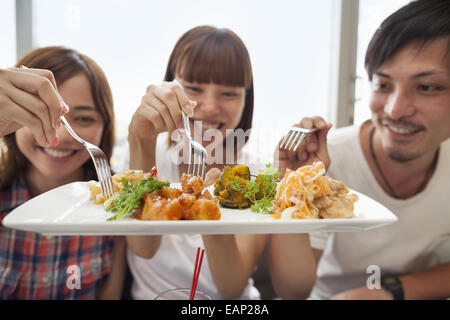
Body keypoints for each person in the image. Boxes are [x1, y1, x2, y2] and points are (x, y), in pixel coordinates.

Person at [125, 25, 317, 300]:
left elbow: (231, 288)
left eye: (228, 94)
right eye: (192, 88)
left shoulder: (256, 176)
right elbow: (143, 247)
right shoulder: (144, 151)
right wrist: (139, 140)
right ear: (169, 88)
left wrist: (211, 212)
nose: (210, 106)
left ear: (246, 99)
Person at [275, 0, 450, 300]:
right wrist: (293, 187)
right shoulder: (329, 162)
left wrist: (390, 292)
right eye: (383, 85)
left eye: (427, 87)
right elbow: (293, 292)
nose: (395, 110)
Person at [0, 46, 125, 299]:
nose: (60, 136)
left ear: (106, 126)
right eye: (39, 113)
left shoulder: (118, 207)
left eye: (84, 119)